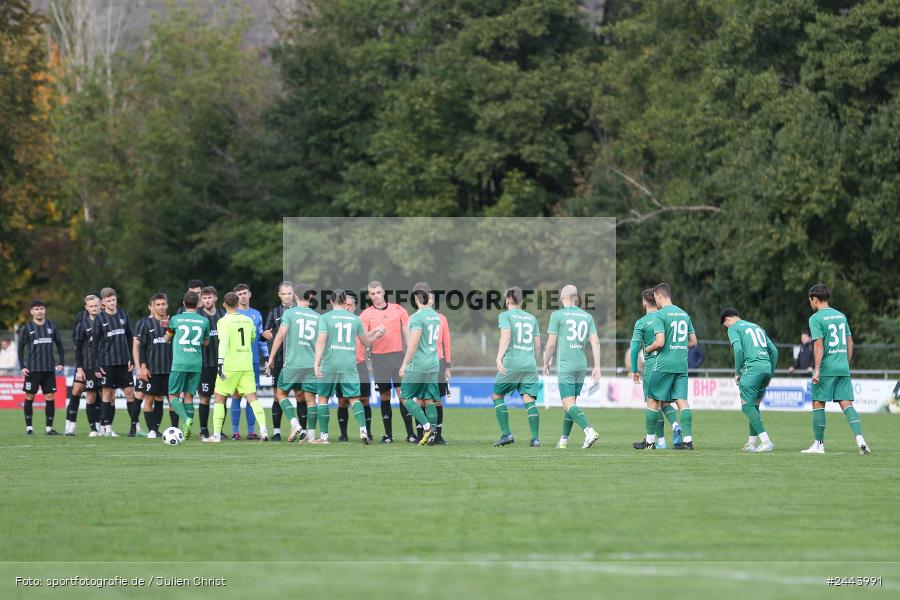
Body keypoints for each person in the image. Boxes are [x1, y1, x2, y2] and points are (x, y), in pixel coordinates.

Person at [801, 284, 870, 455]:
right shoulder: (841, 316)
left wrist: (816, 369)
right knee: (847, 404)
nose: (810, 304)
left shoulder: (815, 318)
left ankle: (818, 445)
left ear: (815, 300)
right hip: (842, 367)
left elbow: (818, 344)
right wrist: (844, 363)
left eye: (810, 301)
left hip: (826, 368)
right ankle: (860, 438)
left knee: (818, 402)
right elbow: (850, 342)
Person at [312, 289, 385, 444]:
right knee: (354, 398)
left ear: (331, 301)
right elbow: (366, 343)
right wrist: (377, 334)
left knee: (323, 398)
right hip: (349, 363)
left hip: (330, 363)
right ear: (345, 302)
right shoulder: (355, 319)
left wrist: (316, 363)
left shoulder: (324, 318)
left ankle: (324, 437)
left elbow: (321, 342)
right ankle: (363, 431)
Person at [634, 283, 698, 450]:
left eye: (655, 298)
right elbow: (693, 342)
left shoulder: (659, 315)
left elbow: (660, 342)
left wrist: (648, 348)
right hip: (681, 364)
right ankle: (688, 441)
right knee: (682, 401)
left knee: (653, 399)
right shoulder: (684, 314)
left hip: (663, 364)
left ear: (660, 296)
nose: (656, 302)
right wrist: (677, 346)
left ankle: (649, 441)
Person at [203, 292, 268, 442]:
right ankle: (264, 430)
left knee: (219, 398)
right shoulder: (248, 320)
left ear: (224, 305)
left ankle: (217, 435)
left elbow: (224, 342)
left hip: (230, 365)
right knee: (252, 398)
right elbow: (253, 338)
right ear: (238, 304)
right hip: (246, 364)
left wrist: (220, 363)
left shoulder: (223, 322)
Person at [543, 285, 601, 450]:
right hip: (581, 365)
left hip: (566, 365)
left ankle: (589, 431)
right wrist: (597, 366)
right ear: (576, 297)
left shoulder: (557, 315)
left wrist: (546, 363)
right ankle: (563, 440)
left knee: (568, 403)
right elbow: (595, 342)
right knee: (571, 403)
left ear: (562, 297)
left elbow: (551, 344)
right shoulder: (587, 316)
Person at [265, 283, 319, 444]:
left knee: (280, 394)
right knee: (310, 399)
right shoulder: (317, 317)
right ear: (310, 297)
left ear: (296, 296)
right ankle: (310, 434)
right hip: (310, 364)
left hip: (292, 363)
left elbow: (280, 337)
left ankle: (294, 423)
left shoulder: (289, 314)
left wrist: (271, 358)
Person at [490, 287, 543, 447]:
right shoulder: (532, 318)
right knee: (529, 400)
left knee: (497, 395)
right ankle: (535, 439)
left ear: (507, 300)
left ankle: (506, 434)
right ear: (521, 301)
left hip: (512, 363)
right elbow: (538, 346)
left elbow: (506, 337)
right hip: (529, 363)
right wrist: (534, 362)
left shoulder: (505, 315)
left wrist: (499, 357)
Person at [720, 308, 777, 452]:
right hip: (765, 368)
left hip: (751, 369)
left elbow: (738, 350)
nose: (727, 328)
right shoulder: (757, 327)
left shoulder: (733, 328)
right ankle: (751, 443)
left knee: (746, 406)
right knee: (754, 406)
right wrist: (770, 373)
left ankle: (766, 441)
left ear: (728, 319)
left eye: (725, 325)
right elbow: (774, 351)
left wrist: (737, 371)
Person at [359, 280, 410, 443]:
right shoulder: (365, 315)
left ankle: (410, 434)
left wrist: (410, 357)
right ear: (369, 295)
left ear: (384, 292)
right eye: (372, 293)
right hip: (379, 358)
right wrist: (375, 333)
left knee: (403, 395)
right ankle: (388, 435)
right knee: (385, 395)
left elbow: (408, 335)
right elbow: (365, 341)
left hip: (398, 356)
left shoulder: (398, 310)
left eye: (378, 292)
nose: (376, 296)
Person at [630, 289, 679, 449]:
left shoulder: (642, 322)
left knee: (653, 403)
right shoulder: (665, 317)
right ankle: (675, 425)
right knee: (665, 401)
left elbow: (635, 347)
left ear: (644, 302)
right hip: (669, 363)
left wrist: (634, 370)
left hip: (652, 365)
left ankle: (661, 441)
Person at [397, 282, 442, 446]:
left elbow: (414, 342)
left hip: (419, 364)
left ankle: (426, 426)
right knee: (429, 399)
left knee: (406, 397)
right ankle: (433, 432)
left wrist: (404, 364)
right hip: (433, 363)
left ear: (416, 298)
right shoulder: (435, 316)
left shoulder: (416, 317)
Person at [165, 291, 210, 440]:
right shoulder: (204, 321)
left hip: (179, 363)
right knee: (189, 395)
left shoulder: (175, 319)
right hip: (196, 363)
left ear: (183, 303)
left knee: (173, 396)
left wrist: (168, 330)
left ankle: (186, 419)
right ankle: (186, 432)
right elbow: (205, 342)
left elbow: (167, 338)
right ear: (198, 304)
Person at [91, 288, 135, 437]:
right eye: (108, 300)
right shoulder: (99, 319)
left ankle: (134, 426)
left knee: (130, 393)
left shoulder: (123, 314)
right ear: (103, 302)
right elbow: (95, 344)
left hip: (124, 362)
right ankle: (107, 427)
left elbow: (130, 337)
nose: (111, 303)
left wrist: (132, 359)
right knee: (107, 395)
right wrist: (96, 365)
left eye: (113, 300)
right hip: (107, 362)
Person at [17, 300, 65, 435]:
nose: (39, 311)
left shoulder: (51, 326)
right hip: (32, 369)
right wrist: (22, 366)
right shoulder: (27, 327)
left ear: (45, 310)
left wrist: (61, 362)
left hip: (49, 369)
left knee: (50, 396)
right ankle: (29, 428)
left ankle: (49, 428)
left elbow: (60, 345)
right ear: (32, 311)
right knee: (30, 396)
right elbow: (20, 348)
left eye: (42, 309)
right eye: (37, 309)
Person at [263, 281, 301, 441]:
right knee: (277, 396)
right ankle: (277, 431)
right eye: (283, 293)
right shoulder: (274, 312)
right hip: (279, 360)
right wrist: (264, 334)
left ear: (294, 295)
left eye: (289, 293)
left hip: (298, 360)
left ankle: (303, 429)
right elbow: (265, 333)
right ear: (279, 295)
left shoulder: (301, 312)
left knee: (300, 395)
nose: (286, 296)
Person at [134, 293, 174, 438]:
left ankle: (174, 429)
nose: (161, 307)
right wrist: (142, 367)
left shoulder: (173, 323)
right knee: (149, 399)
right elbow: (142, 347)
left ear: (167, 305)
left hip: (170, 369)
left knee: (173, 401)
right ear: (152, 306)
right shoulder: (146, 324)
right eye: (158, 304)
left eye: (163, 304)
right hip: (153, 370)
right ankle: (152, 430)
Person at [232, 283, 268, 440]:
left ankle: (252, 431)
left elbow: (261, 339)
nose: (243, 296)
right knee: (236, 395)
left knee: (252, 395)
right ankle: (235, 431)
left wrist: (266, 358)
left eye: (245, 293)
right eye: (239, 294)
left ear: (250, 294)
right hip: (236, 361)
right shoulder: (232, 314)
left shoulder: (256, 314)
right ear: (236, 297)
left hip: (252, 361)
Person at [338, 291, 373, 442]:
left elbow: (367, 340)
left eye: (350, 305)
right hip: (342, 366)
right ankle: (343, 434)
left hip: (359, 364)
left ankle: (368, 432)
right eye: (344, 305)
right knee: (342, 400)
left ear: (355, 306)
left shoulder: (360, 321)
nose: (347, 308)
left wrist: (376, 333)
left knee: (364, 399)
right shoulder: (336, 321)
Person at [67, 295, 102, 436]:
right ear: (86, 307)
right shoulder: (82, 323)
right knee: (77, 392)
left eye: (96, 305)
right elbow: (77, 346)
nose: (94, 308)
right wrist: (79, 367)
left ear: (101, 305)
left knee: (104, 395)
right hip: (85, 365)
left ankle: (103, 427)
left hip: (103, 365)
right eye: (91, 306)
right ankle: (70, 425)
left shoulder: (107, 321)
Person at [196, 287, 226, 440]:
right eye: (204, 298)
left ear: (215, 298)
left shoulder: (223, 315)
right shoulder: (198, 316)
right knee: (205, 398)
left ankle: (219, 430)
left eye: (209, 297)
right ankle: (203, 429)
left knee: (221, 398)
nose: (207, 300)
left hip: (222, 364)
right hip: (204, 364)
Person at [433, 299, 452, 445]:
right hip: (421, 364)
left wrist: (448, 366)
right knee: (421, 399)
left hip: (439, 363)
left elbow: (447, 343)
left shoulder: (441, 318)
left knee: (437, 400)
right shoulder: (415, 318)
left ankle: (438, 435)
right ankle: (423, 434)